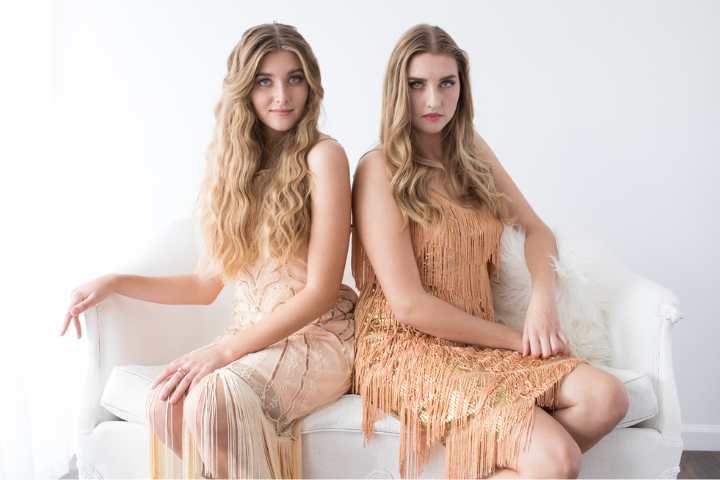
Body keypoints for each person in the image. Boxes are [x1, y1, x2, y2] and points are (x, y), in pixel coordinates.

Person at [61, 22, 357, 479]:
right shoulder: (237, 171)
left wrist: (222, 353)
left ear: (310, 85)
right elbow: (203, 286)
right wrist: (115, 281)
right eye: (265, 81)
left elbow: (320, 292)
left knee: (212, 398)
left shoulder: (324, 156)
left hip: (317, 339)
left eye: (294, 78)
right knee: (168, 401)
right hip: (253, 340)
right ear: (244, 89)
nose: (282, 95)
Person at [351, 24, 630, 479]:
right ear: (397, 90)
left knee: (608, 397)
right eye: (417, 85)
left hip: (476, 341)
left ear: (462, 87)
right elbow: (409, 306)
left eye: (447, 83)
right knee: (557, 459)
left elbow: (536, 230)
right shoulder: (379, 168)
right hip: (405, 348)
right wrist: (517, 340)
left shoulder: (471, 154)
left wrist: (542, 302)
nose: (434, 101)